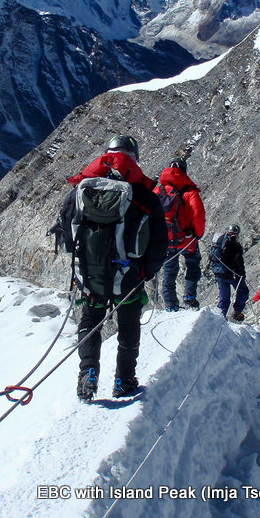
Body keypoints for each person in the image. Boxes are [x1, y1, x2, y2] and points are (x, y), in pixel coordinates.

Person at [61, 135, 167, 401]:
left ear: (107, 156)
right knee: (128, 325)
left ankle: (88, 373)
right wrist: (148, 271)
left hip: (91, 274)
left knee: (90, 320)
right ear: (134, 159)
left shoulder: (81, 190)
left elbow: (66, 234)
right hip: (129, 276)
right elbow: (157, 243)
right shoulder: (144, 196)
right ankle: (124, 380)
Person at [153, 157, 206, 311]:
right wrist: (197, 235)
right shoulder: (190, 191)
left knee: (169, 270)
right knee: (193, 264)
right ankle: (189, 295)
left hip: (166, 240)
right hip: (187, 239)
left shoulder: (159, 190)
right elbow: (198, 214)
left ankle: (170, 304)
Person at [209, 224, 248, 321]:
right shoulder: (235, 244)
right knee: (243, 291)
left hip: (219, 273)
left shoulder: (220, 243)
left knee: (224, 297)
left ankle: (220, 317)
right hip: (231, 274)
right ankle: (237, 312)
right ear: (237, 233)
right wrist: (241, 273)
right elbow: (238, 259)